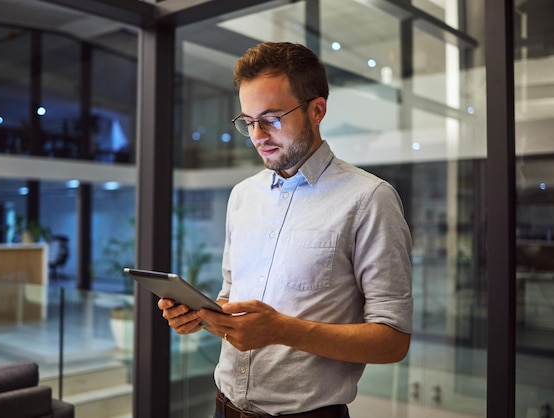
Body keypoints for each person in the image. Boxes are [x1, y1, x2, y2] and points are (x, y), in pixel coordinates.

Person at [159, 41, 412, 418]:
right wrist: (202, 316)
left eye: (272, 118)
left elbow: (393, 341)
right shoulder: (243, 196)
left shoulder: (369, 199)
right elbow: (232, 301)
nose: (258, 134)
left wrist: (282, 331)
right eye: (247, 121)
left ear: (317, 110)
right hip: (223, 408)